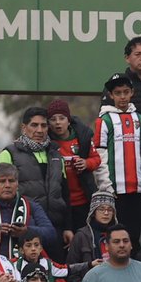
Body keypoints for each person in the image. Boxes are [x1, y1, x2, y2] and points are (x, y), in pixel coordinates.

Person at [93, 73, 141, 244]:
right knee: (116, 236)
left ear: (132, 92)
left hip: (138, 190)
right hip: (115, 191)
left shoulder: (140, 120)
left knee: (134, 236)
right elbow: (100, 155)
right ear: (111, 95)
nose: (122, 97)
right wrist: (106, 186)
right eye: (118, 93)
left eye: (126, 92)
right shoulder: (104, 120)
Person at [0, 106, 67, 243]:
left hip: (55, 228)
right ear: (24, 127)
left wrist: (68, 227)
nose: (39, 130)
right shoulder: (8, 153)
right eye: (34, 125)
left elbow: (65, 193)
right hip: (24, 227)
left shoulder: (56, 155)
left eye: (43, 125)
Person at [0, 161, 58, 261]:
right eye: (2, 181)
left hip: (26, 268)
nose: (7, 185)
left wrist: (27, 232)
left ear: (17, 184)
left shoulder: (32, 206)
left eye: (11, 181)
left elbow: (51, 234)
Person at [46, 98, 101, 235]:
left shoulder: (82, 137)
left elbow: (96, 159)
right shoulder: (46, 142)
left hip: (83, 200)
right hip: (60, 202)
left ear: (68, 120)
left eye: (62, 118)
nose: (58, 122)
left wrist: (86, 163)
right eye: (53, 119)